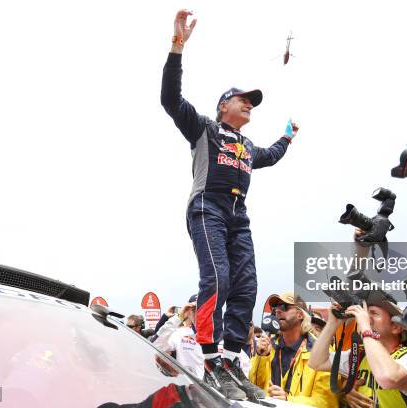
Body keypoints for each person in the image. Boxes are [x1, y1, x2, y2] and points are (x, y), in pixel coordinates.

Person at [160, 9, 299, 400]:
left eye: (252, 102)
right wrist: (177, 47)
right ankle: (207, 358)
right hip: (207, 208)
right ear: (224, 106)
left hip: (239, 216)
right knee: (218, 277)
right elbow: (171, 99)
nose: (250, 104)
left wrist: (288, 137)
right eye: (243, 100)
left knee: (247, 287)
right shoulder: (204, 127)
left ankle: (231, 358)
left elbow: (269, 154)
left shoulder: (248, 146)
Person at [309, 292, 407, 408]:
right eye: (365, 314)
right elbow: (316, 362)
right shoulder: (360, 357)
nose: (366, 319)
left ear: (396, 326)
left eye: (374, 313)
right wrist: (333, 323)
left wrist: (366, 329)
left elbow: (389, 378)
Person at [249, 292, 337, 408]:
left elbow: (327, 402)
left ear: (300, 315)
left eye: (284, 307)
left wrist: (288, 401)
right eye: (275, 308)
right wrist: (261, 357)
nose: (278, 311)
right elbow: (254, 389)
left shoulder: (321, 351)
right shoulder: (268, 349)